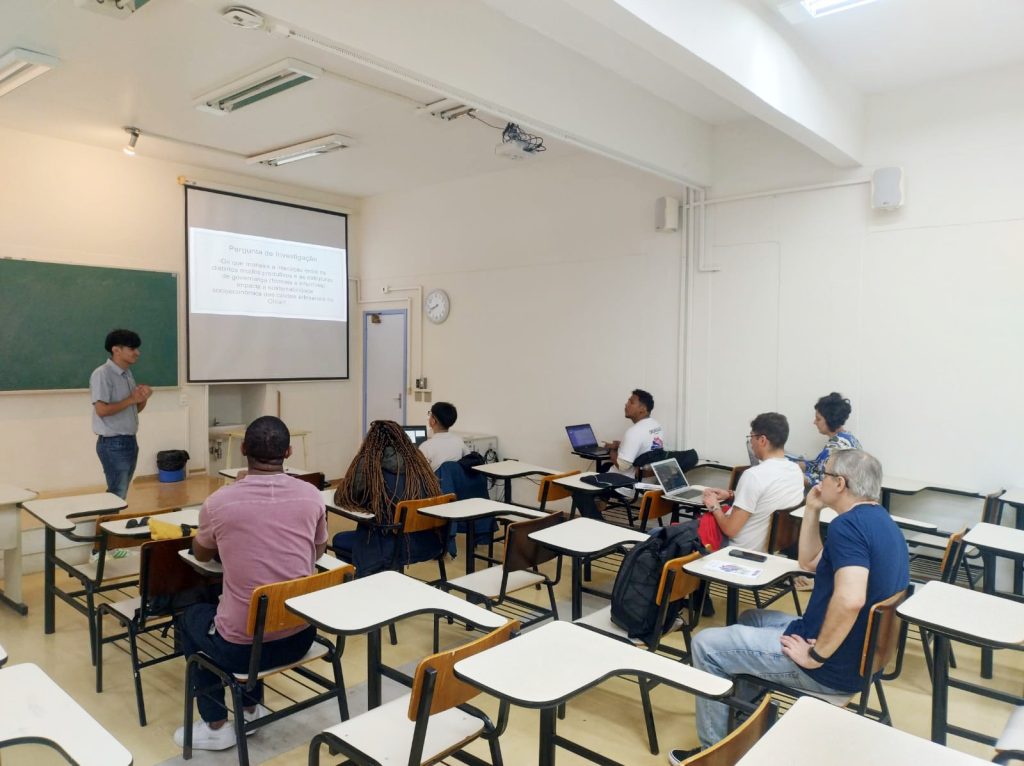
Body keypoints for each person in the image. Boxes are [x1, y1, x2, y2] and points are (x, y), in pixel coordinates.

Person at [667, 450, 910, 764]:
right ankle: (746, 723)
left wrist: (816, 655)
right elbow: (808, 562)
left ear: (840, 483)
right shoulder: (879, 522)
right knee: (752, 617)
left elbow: (851, 600)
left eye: (825, 474)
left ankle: (716, 754)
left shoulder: (847, 528)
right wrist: (812, 509)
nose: (819, 480)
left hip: (830, 667)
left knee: (706, 645)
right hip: (859, 658)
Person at [174, 416, 327, 752]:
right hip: (301, 634)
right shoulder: (312, 496)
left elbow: (201, 553)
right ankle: (250, 707)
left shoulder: (220, 503)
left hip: (241, 649)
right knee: (259, 608)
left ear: (242, 450)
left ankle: (216, 725)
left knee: (190, 619)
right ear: (288, 452)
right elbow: (317, 550)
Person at [332, 420, 445, 576]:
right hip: (427, 543)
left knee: (340, 540)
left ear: (371, 441)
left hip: (385, 549)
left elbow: (345, 497)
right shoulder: (419, 464)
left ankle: (364, 587)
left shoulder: (369, 463)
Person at [699, 413, 804, 552]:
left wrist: (714, 506)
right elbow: (767, 500)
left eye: (751, 437)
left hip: (739, 552)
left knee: (676, 537)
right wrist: (731, 495)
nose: (751, 443)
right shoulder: (795, 470)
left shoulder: (754, 475)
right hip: (776, 551)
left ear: (762, 440)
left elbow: (730, 529)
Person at [90, 328, 152, 499]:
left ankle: (109, 523)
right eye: (132, 349)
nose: (137, 353)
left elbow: (133, 410)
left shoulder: (127, 374)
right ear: (116, 350)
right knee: (117, 493)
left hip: (129, 440)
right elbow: (101, 410)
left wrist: (143, 398)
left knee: (120, 492)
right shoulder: (102, 374)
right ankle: (106, 525)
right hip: (113, 443)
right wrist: (132, 399)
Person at [802, 392, 861, 486]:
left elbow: (822, 479)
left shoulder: (838, 447)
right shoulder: (847, 438)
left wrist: (793, 477)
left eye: (818, 419)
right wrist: (797, 465)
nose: (814, 422)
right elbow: (818, 465)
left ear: (830, 419)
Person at [604, 388, 664, 477]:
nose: (626, 404)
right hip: (649, 481)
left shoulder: (634, 431)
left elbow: (622, 466)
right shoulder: (657, 425)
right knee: (605, 466)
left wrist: (611, 450)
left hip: (626, 485)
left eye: (631, 403)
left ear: (642, 409)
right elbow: (646, 447)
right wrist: (621, 445)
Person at [419, 401, 469, 470]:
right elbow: (468, 457)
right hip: (455, 480)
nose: (429, 417)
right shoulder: (459, 441)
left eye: (430, 414)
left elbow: (417, 472)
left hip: (435, 480)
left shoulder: (426, 447)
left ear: (433, 421)